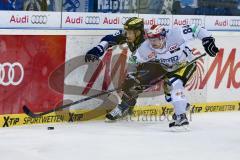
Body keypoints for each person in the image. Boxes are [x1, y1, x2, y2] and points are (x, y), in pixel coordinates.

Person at [134, 24, 219, 127]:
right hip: (169, 69)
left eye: (155, 39)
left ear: (163, 37)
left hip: (186, 63)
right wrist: (133, 74)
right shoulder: (145, 47)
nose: (153, 43)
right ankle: (183, 105)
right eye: (151, 39)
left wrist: (207, 40)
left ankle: (181, 117)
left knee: (175, 84)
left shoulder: (175, 34)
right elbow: (133, 60)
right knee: (169, 95)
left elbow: (196, 29)